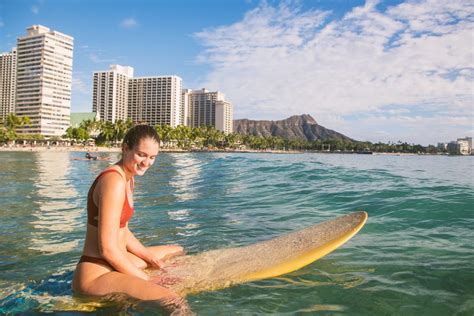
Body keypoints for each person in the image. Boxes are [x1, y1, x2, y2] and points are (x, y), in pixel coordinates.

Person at [72, 125, 187, 312]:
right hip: (96, 273)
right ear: (125, 148)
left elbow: (122, 230)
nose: (146, 163)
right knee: (174, 301)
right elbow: (107, 250)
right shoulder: (114, 181)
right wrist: (149, 281)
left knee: (175, 250)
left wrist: (150, 258)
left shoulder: (128, 176)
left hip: (113, 262)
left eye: (152, 157)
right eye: (141, 155)